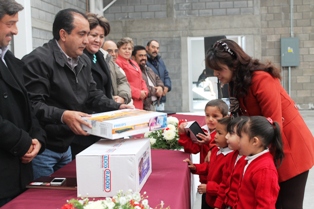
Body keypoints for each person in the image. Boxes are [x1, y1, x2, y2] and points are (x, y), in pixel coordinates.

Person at [22, 9, 132, 179]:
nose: (87, 40)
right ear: (63, 34)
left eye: (88, 34)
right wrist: (63, 115)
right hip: (44, 149)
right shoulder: (38, 60)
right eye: (82, 34)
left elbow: (92, 94)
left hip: (66, 146)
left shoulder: (84, 60)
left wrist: (118, 106)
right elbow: (31, 105)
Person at [206, 39, 314, 209]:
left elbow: (273, 124)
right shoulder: (235, 83)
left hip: (288, 147)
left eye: (219, 69)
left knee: (287, 204)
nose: (216, 74)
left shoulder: (261, 79)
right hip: (263, 147)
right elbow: (237, 121)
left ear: (233, 65)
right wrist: (215, 144)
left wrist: (260, 163)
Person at [0, 0, 46, 206]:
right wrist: (23, 142)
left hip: (21, 172)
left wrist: (37, 138)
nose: (16, 31)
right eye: (10, 23)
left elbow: (28, 107)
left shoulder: (12, 62)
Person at [178, 99, 228, 208]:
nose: (210, 119)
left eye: (215, 116)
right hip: (206, 181)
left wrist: (210, 143)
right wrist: (183, 135)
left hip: (218, 186)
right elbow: (194, 149)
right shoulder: (203, 131)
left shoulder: (225, 137)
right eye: (207, 115)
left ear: (225, 118)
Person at [234, 116, 284, 209]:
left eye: (240, 137)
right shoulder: (248, 158)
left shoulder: (264, 170)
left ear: (254, 141)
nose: (238, 141)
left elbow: (266, 206)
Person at [184, 117, 233, 209]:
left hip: (220, 203)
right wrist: (196, 167)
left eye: (219, 133)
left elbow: (227, 187)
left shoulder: (230, 159)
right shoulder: (215, 150)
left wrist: (209, 188)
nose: (215, 136)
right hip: (209, 197)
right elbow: (209, 166)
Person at [214, 117, 246, 209]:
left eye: (231, 133)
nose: (226, 136)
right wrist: (218, 205)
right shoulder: (231, 157)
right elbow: (224, 184)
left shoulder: (248, 161)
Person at [116, 37, 148, 109]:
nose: (127, 51)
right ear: (118, 50)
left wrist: (145, 91)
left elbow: (141, 80)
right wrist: (138, 93)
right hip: (129, 99)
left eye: (129, 49)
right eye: (124, 48)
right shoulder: (117, 62)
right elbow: (120, 82)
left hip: (140, 99)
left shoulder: (133, 62)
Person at [132, 45, 164, 111]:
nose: (143, 58)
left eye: (145, 55)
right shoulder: (133, 71)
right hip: (142, 107)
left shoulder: (148, 69)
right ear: (133, 58)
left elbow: (158, 79)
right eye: (140, 56)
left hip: (153, 105)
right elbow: (142, 87)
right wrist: (156, 91)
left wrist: (160, 87)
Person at [146, 40, 171, 111]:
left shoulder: (160, 60)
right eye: (153, 47)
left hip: (161, 99)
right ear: (147, 48)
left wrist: (167, 87)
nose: (155, 50)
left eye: (157, 48)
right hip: (151, 98)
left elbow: (166, 74)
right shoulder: (144, 61)